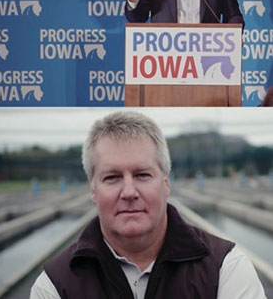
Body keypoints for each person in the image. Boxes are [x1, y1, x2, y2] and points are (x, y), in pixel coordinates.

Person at [30, 110, 266, 299]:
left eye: (142, 175)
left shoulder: (227, 268)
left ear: (165, 184)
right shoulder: (53, 286)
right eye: (111, 177)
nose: (129, 192)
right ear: (93, 191)